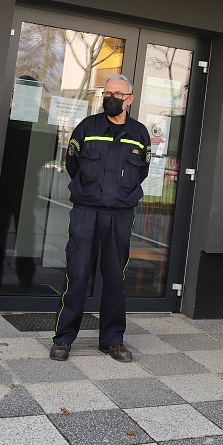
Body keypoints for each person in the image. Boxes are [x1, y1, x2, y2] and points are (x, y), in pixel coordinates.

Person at [50, 74, 151, 362]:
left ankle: (112, 341)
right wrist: (90, 192)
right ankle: (63, 338)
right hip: (86, 213)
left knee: (115, 279)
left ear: (129, 99)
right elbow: (73, 165)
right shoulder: (87, 127)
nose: (111, 98)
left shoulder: (140, 134)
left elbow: (142, 172)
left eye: (117, 94)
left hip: (120, 215)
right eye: (107, 94)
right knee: (77, 274)